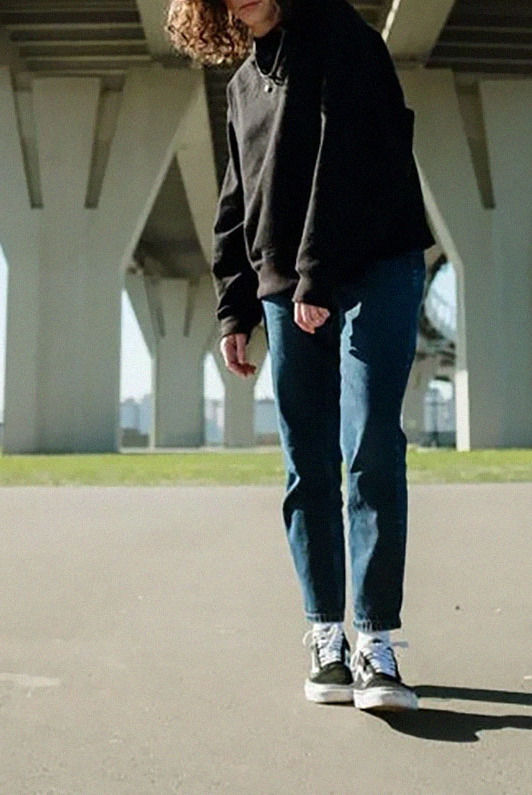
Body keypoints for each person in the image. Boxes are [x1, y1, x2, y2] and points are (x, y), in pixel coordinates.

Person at [166, 0, 435, 711]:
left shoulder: (341, 39)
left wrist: (313, 273)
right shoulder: (242, 87)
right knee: (305, 457)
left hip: (375, 260)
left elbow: (344, 155)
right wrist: (235, 305)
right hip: (290, 285)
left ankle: (376, 639)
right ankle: (325, 634)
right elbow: (237, 199)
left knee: (371, 442)